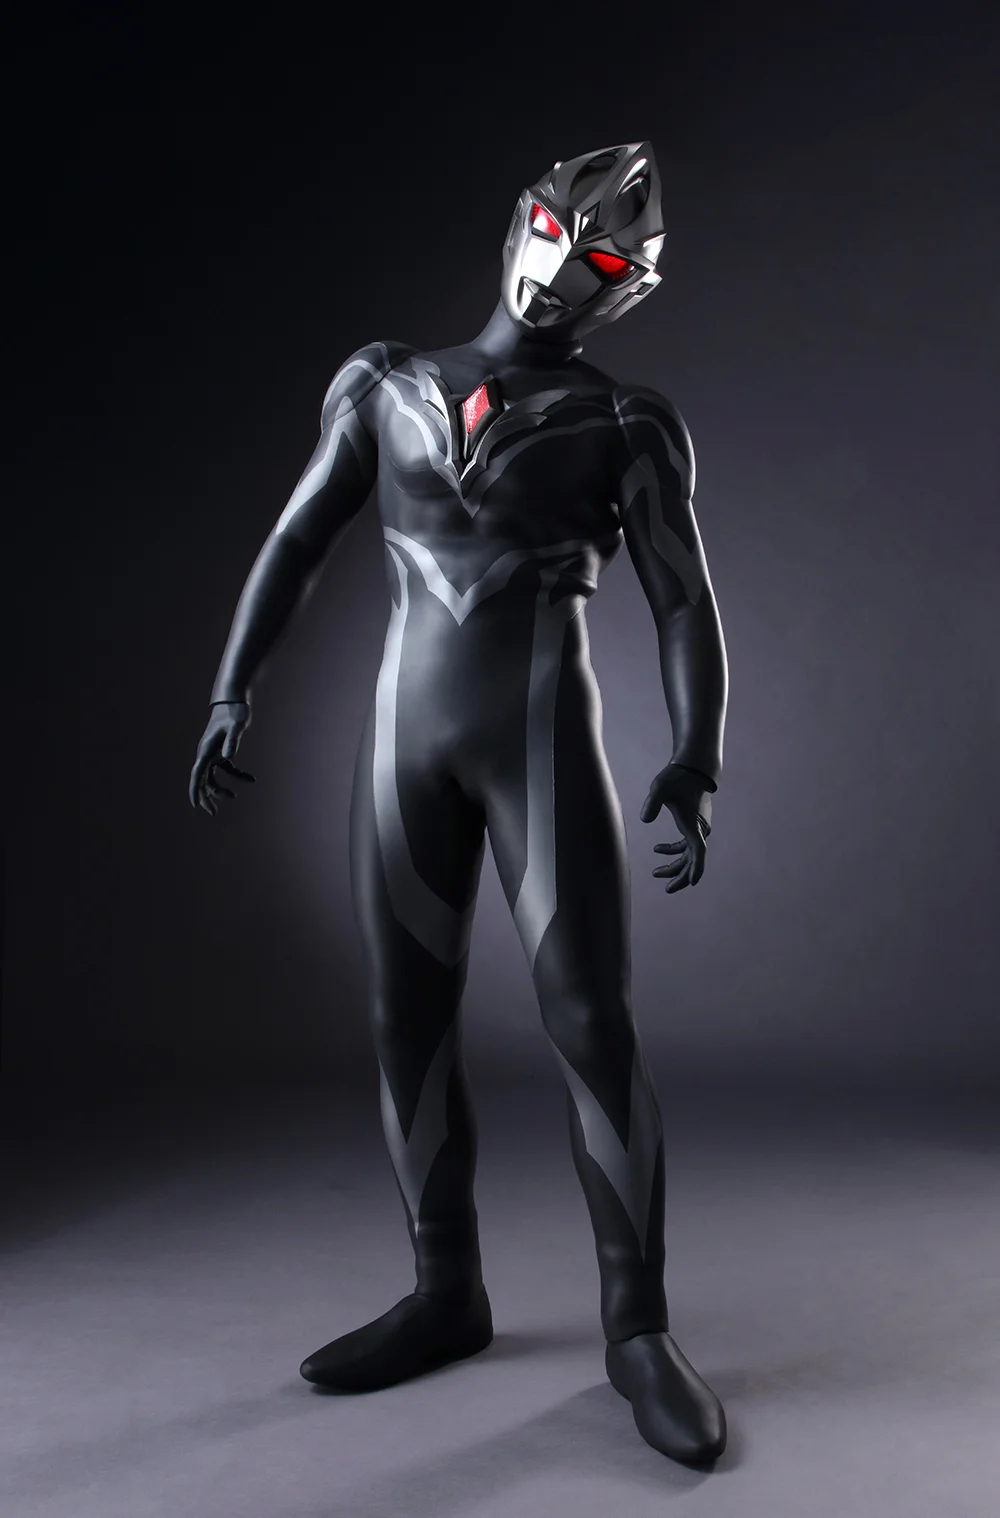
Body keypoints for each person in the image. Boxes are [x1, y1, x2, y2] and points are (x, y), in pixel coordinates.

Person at [189, 141, 729, 1465]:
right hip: (407, 749)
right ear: (520, 221)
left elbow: (682, 599)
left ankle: (638, 1329)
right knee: (406, 1021)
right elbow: (298, 534)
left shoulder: (624, 421)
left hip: (536, 749)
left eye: (607, 261)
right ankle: (447, 1292)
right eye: (557, 232)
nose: (567, 271)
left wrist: (697, 753)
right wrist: (231, 686)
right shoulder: (384, 384)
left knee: (591, 1022)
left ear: (632, 289)